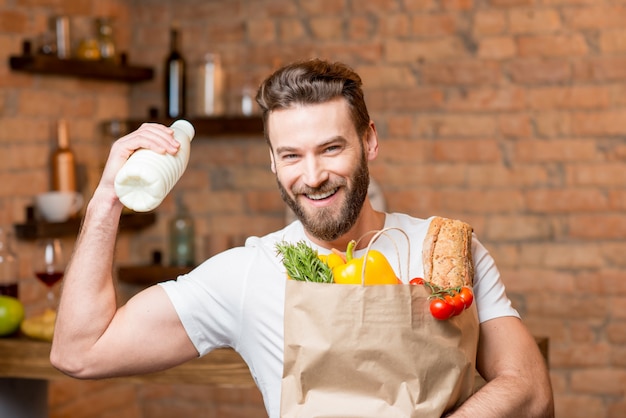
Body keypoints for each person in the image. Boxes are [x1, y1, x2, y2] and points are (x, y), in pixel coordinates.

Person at [51, 59, 554, 417]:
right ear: (272, 161)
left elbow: (530, 390)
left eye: (331, 148)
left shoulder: (446, 249)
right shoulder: (249, 271)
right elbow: (80, 351)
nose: (312, 176)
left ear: (369, 140)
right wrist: (106, 201)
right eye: (291, 155)